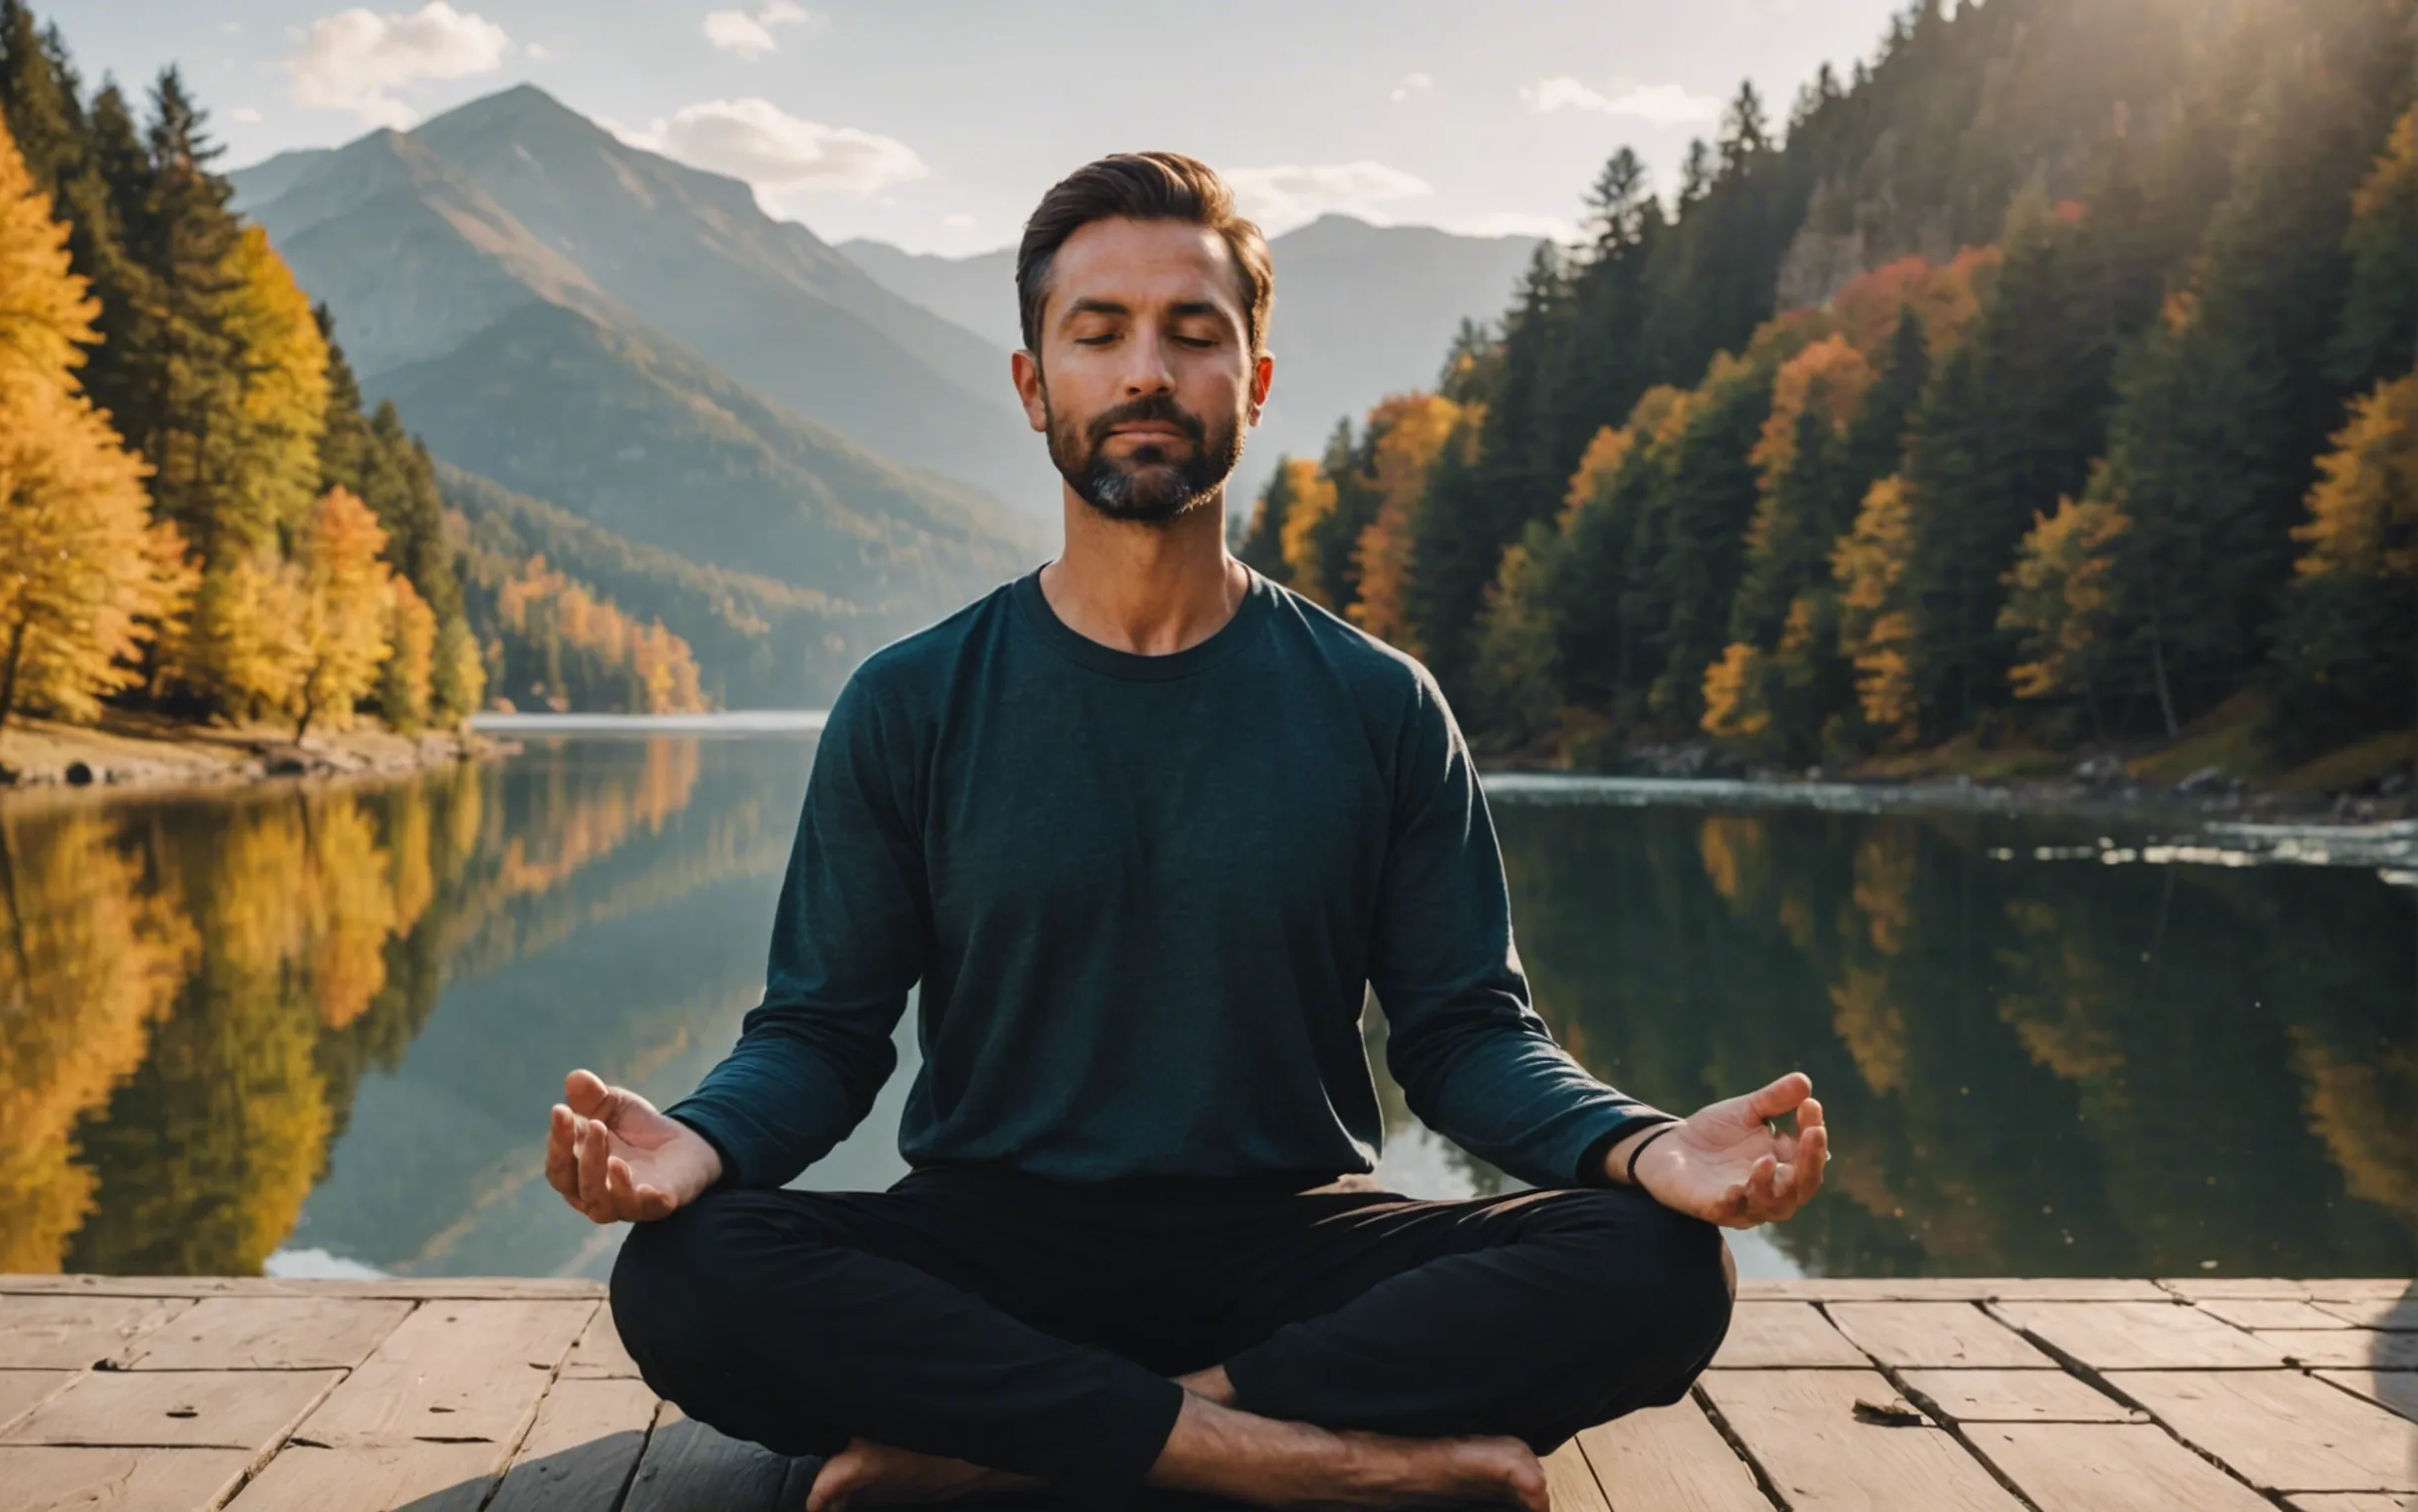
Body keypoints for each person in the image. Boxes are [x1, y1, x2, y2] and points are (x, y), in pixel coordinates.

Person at [544, 151, 1829, 1512]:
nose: (1145, 370)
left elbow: (1465, 1037)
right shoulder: (911, 702)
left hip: (1295, 1242)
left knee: (1662, 1268)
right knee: (687, 1274)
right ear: (1035, 385)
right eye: (1097, 333)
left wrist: (1643, 1147)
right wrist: (697, 1143)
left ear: (1255, 383)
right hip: (990, 1239)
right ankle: (1300, 1459)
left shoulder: (1378, 704)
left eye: (1193, 333)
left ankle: (1008, 1449)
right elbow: (821, 1034)